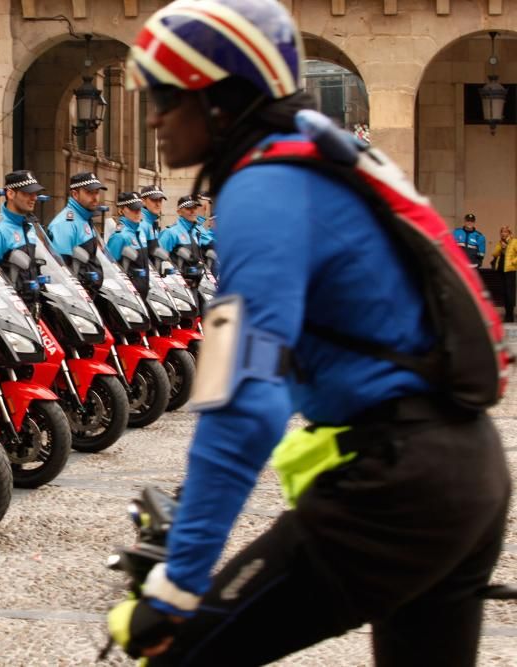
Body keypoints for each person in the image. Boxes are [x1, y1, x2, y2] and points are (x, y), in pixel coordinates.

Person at [107, 1, 510, 665]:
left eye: (166, 95)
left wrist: (180, 581)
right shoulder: (317, 157)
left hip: (396, 486)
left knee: (179, 650)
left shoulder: (264, 188)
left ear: (220, 99)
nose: (152, 115)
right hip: (467, 473)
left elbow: (243, 397)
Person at [47, 172, 107, 282]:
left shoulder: (84, 218)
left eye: (97, 192)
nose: (95, 197)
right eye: (89, 192)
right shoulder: (65, 223)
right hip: (78, 295)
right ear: (75, 194)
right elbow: (62, 271)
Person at [107, 191, 150, 296]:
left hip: (143, 292)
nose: (137, 212)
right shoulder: (120, 236)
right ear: (121, 210)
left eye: (139, 208)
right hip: (129, 295)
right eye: (133, 209)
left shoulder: (140, 232)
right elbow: (110, 268)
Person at [491, 226, 516, 322]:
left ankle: (510, 315)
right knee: (504, 293)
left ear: (509, 233)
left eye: (505, 232)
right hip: (501, 270)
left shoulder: (514, 242)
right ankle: (506, 315)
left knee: (510, 293)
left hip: (510, 271)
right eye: (502, 232)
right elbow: (494, 254)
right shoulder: (500, 242)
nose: (503, 234)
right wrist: (501, 247)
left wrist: (513, 262)